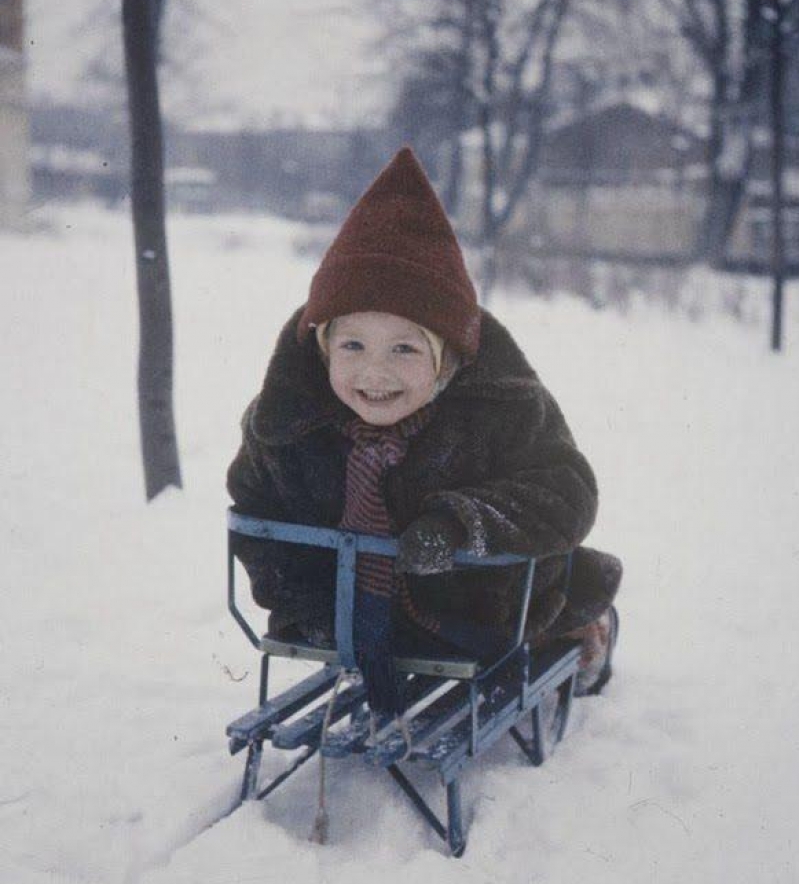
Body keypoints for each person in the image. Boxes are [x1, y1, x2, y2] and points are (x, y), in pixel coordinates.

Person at [226, 147, 621, 721]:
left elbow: (567, 490)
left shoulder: (501, 407)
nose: (375, 373)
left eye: (405, 349)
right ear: (322, 348)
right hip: (346, 615)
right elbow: (257, 514)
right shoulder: (286, 426)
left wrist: (463, 523)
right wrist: (301, 604)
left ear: (448, 359)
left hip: (483, 611)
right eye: (352, 346)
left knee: (559, 604)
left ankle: (588, 629)